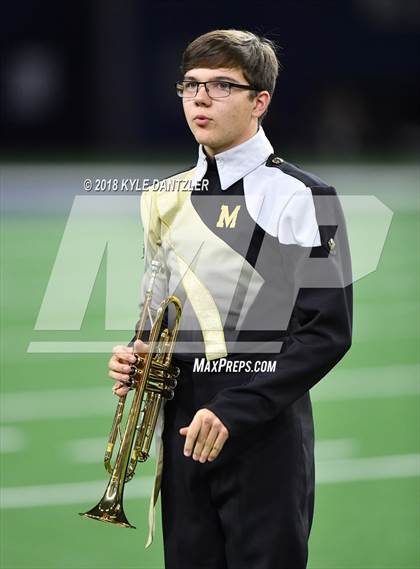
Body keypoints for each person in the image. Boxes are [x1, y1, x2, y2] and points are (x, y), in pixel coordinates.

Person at [108, 29, 353, 569]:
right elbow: (161, 308)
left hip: (261, 433)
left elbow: (327, 331)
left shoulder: (305, 197)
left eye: (221, 85)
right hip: (182, 426)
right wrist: (138, 349)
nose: (200, 98)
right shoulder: (162, 197)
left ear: (259, 101)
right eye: (191, 85)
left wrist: (236, 409)